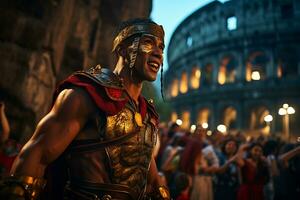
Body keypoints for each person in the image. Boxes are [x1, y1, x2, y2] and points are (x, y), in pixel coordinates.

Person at [0, 18, 170, 200]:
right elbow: (37, 154)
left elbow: (148, 175)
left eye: (161, 47)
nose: (158, 53)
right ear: (122, 49)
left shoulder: (146, 114)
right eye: (148, 43)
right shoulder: (87, 94)